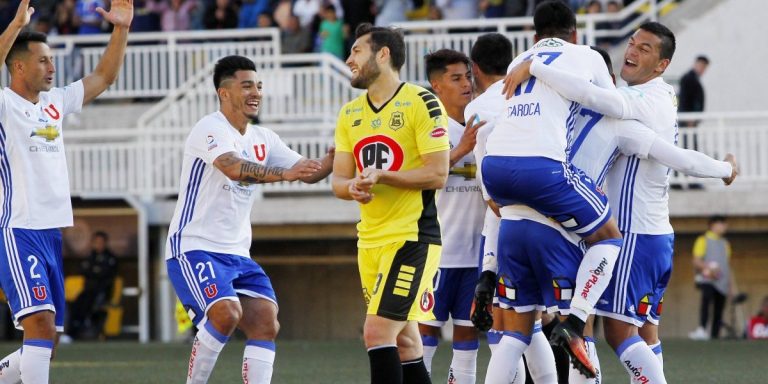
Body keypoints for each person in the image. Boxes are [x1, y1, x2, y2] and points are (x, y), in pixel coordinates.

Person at [503, 21, 737, 384]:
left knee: (614, 332)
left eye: (645, 48)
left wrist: (535, 68)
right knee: (644, 334)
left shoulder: (634, 106)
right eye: (631, 42)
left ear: (661, 65)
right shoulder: (651, 99)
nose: (632, 50)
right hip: (655, 234)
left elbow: (676, 156)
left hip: (632, 235)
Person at [165, 55, 333, 384]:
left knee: (265, 322)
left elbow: (309, 173)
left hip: (238, 253)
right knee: (226, 313)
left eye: (258, 85)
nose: (256, 92)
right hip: (195, 246)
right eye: (246, 86)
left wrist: (335, 157)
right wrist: (286, 174)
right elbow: (233, 167)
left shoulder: (263, 137)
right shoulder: (209, 128)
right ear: (223, 92)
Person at [481, 1, 621, 377]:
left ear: (533, 35)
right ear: (574, 34)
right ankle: (574, 321)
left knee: (516, 332)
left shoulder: (518, 60)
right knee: (609, 237)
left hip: (495, 172)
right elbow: (613, 104)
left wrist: (533, 64)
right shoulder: (585, 55)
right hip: (540, 168)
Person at [0, 0, 132, 382]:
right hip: (18, 229)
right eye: (43, 60)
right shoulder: (5, 104)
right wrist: (14, 26)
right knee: (39, 324)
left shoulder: (55, 103)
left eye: (51, 60)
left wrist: (120, 29)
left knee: (48, 342)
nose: (52, 67)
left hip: (51, 233)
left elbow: (103, 78)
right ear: (18, 66)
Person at [332, 23, 450, 384]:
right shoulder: (350, 113)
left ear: (383, 55)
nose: (349, 59)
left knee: (377, 332)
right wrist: (353, 186)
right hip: (369, 242)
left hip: (412, 239)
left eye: (356, 51)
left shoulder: (422, 102)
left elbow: (437, 174)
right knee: (404, 342)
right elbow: (337, 180)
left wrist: (383, 177)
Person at [417, 48, 484, 384]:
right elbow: (423, 176)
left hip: (477, 256)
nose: (466, 84)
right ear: (437, 86)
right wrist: (461, 149)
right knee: (425, 332)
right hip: (438, 254)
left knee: (468, 335)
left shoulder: (482, 121)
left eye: (468, 76)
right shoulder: (431, 128)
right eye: (456, 78)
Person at [67, 231, 119, 340]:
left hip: (103, 291)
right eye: (96, 242)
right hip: (87, 291)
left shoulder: (110, 258)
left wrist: (94, 272)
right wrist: (96, 272)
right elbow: (84, 271)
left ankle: (77, 332)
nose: (98, 244)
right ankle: (71, 332)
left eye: (101, 242)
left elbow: (106, 274)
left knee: (89, 304)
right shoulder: (90, 257)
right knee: (76, 304)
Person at [689, 215, 734, 340]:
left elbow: (726, 265)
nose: (724, 227)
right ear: (713, 225)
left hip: (722, 281)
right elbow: (696, 261)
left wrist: (730, 287)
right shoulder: (702, 240)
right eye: (722, 224)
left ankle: (715, 334)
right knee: (706, 303)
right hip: (707, 279)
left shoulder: (726, 244)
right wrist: (709, 268)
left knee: (719, 308)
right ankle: (702, 329)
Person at [678, 55, 709, 125]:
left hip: (692, 118)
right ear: (696, 64)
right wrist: (689, 117)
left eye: (704, 67)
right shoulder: (688, 79)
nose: (702, 69)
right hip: (688, 119)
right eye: (701, 66)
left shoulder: (694, 79)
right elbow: (684, 99)